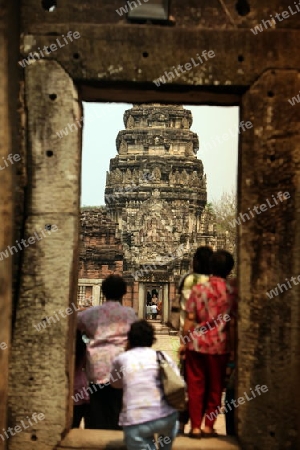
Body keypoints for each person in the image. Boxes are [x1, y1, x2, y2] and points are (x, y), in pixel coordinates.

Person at [182, 250, 237, 438]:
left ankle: (195, 426)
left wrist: (184, 342)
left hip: (196, 344)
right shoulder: (232, 292)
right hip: (219, 345)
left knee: (195, 386)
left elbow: (190, 319)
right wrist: (234, 349)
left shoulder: (198, 290)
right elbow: (233, 323)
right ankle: (208, 426)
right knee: (215, 387)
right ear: (230, 269)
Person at [77, 274, 137, 429]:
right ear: (124, 292)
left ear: (103, 291)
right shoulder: (130, 314)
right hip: (121, 364)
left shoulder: (91, 313)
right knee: (118, 406)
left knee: (96, 407)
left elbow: (75, 326)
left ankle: (95, 439)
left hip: (96, 365)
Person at [110, 320, 178, 450]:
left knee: (140, 440)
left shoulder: (122, 358)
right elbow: (176, 381)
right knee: (170, 427)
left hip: (136, 421)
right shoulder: (161, 356)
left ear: (129, 339)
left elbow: (115, 384)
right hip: (165, 418)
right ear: (152, 340)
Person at [177, 246, 213, 435]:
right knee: (210, 386)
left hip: (191, 339)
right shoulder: (218, 284)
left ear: (195, 262)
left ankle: (185, 425)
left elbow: (187, 315)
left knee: (188, 384)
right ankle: (205, 425)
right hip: (215, 342)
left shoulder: (187, 280)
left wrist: (183, 340)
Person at [72, 330, 90, 428]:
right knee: (76, 422)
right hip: (81, 386)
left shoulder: (65, 350)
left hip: (69, 386)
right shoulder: (83, 348)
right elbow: (85, 365)